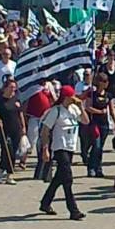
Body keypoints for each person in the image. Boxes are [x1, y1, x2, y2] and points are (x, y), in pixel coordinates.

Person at [39, 85, 89, 220]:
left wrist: (81, 107)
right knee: (68, 179)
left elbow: (85, 121)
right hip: (60, 147)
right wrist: (45, 149)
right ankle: (73, 210)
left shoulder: (73, 109)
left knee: (59, 178)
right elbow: (45, 130)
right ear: (66, 97)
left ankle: (45, 202)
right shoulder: (56, 111)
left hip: (71, 147)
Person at [0, 79, 24, 185]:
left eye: (14, 88)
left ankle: (4, 171)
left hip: (16, 129)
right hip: (4, 130)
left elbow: (20, 114)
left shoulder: (15, 98)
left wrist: (23, 127)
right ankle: (7, 172)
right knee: (7, 151)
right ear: (5, 88)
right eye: (11, 87)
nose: (13, 90)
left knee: (13, 152)